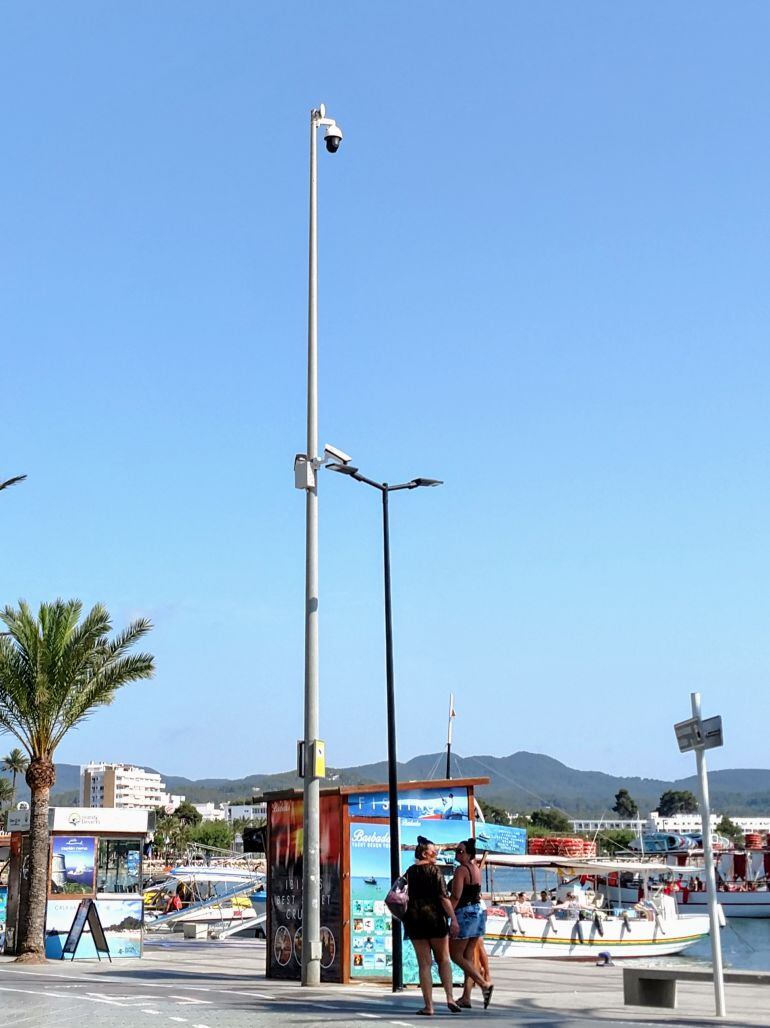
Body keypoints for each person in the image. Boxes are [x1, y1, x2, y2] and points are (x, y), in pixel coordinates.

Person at [402, 836, 461, 1016]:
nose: (435, 852)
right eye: (432, 850)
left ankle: (429, 1006)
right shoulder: (435, 871)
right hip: (435, 920)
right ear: (423, 853)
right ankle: (450, 998)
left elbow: (401, 895)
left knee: (424, 965)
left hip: (415, 921)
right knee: (443, 959)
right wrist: (454, 919)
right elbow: (444, 898)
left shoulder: (409, 872)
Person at [449, 839, 494, 1010]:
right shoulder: (475, 869)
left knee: (455, 955)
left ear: (468, 854)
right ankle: (466, 997)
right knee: (468, 956)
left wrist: (449, 914)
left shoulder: (461, 870)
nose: (457, 853)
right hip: (479, 911)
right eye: (456, 850)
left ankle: (484, 984)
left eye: (460, 851)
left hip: (465, 913)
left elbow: (456, 896)